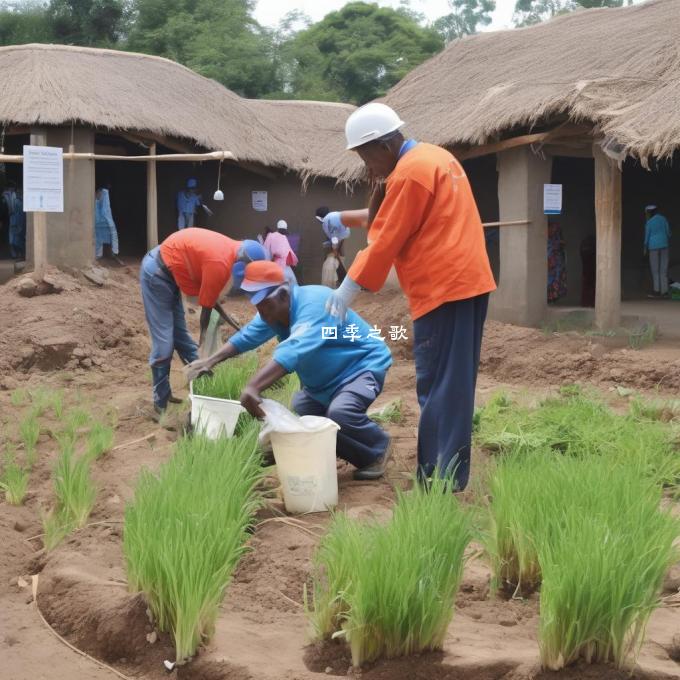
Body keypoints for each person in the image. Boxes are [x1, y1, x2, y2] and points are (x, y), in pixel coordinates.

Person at [326, 102, 496, 491]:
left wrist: (348, 286)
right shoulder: (436, 158)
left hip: (444, 288)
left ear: (382, 147)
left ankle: (438, 479)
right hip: (466, 283)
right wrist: (344, 216)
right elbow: (390, 217)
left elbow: (387, 236)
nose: (367, 169)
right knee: (453, 382)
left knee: (437, 383)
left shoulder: (409, 173)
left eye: (365, 159)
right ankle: (446, 474)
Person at [186, 260, 393, 480]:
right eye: (258, 307)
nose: (262, 314)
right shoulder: (274, 312)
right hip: (326, 383)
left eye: (265, 306)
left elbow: (295, 349)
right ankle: (358, 453)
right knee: (304, 409)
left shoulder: (316, 304)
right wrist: (209, 361)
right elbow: (247, 337)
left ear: (284, 295)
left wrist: (253, 387)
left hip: (360, 368)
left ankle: (379, 447)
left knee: (340, 413)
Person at [139, 227, 267, 413]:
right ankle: (160, 402)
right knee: (165, 342)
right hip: (158, 272)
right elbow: (206, 309)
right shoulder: (220, 263)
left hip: (173, 270)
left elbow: (210, 299)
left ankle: (201, 392)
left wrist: (229, 322)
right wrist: (203, 340)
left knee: (181, 337)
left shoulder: (232, 251)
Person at [644, 205, 671, 298]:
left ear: (649, 213)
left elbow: (647, 237)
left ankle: (656, 291)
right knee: (663, 270)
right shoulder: (663, 219)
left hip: (653, 247)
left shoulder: (649, 222)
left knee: (655, 270)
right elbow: (668, 232)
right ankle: (665, 292)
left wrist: (645, 248)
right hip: (664, 245)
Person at [264, 219, 298, 285]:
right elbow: (289, 252)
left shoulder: (271, 236)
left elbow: (266, 250)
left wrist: (268, 261)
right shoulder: (283, 237)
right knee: (292, 283)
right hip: (284, 264)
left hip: (278, 264)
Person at [94, 183, 120, 262]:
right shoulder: (101, 198)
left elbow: (105, 210)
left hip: (103, 221)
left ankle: (113, 253)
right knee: (100, 237)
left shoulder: (103, 196)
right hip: (101, 222)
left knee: (110, 235)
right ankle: (101, 254)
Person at [2, 182, 25, 260]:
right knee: (12, 240)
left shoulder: (18, 200)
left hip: (18, 221)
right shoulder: (6, 197)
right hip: (10, 220)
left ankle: (19, 254)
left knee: (18, 239)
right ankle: (15, 254)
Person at [547, 222, 567, 303]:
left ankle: (552, 297)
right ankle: (550, 297)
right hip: (551, 265)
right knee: (550, 280)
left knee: (555, 279)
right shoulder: (549, 243)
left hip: (556, 266)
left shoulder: (556, 243)